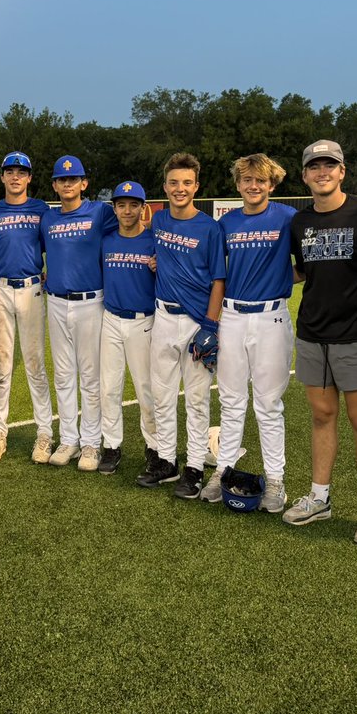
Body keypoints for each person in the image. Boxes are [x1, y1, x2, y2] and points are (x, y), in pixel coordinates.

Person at [283, 140, 357, 547]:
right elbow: (300, 272)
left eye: (330, 165)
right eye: (314, 166)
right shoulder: (299, 222)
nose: (322, 172)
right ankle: (319, 497)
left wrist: (356, 293)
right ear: (304, 175)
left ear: (343, 171)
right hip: (313, 331)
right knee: (321, 416)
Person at [202, 154, 296, 512]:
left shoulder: (289, 218)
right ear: (237, 184)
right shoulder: (226, 223)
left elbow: (304, 265)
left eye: (260, 180)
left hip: (271, 317)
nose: (253, 186)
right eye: (246, 180)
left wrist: (282, 279)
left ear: (272, 184)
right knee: (230, 400)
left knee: (269, 405)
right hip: (232, 316)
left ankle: (275, 481)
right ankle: (222, 471)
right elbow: (214, 272)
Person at [139, 152, 226, 498]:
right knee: (161, 395)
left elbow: (219, 279)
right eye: (174, 182)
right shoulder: (159, 222)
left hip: (195, 321)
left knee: (197, 399)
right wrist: (155, 263)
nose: (180, 188)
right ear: (165, 186)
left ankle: (193, 468)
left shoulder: (209, 227)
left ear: (196, 186)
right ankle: (166, 460)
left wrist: (211, 325)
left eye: (186, 183)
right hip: (162, 316)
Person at [40, 155, 118, 468]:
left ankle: (90, 443)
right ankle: (68, 439)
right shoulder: (48, 218)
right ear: (55, 185)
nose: (68, 183)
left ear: (84, 184)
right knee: (63, 374)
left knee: (90, 376)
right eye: (62, 179)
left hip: (91, 302)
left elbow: (132, 228)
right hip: (56, 301)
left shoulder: (100, 211)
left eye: (74, 179)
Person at [0, 151, 53, 462]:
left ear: (29, 178)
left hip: (31, 289)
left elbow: (57, 244)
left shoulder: (41, 209)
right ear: (1, 177)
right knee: (0, 367)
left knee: (35, 365)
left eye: (21, 172)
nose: (15, 177)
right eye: (9, 171)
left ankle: (44, 434)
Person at [97, 181, 158, 475]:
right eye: (121, 205)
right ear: (115, 208)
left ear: (143, 208)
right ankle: (111, 446)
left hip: (143, 321)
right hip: (110, 318)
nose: (127, 210)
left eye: (134, 204)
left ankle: (154, 446)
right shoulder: (106, 240)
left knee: (146, 390)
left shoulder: (153, 241)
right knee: (108, 387)